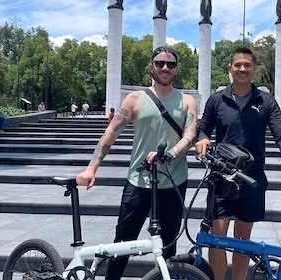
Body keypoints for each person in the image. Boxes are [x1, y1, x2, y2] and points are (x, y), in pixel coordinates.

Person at [76, 46, 198, 280]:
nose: (165, 68)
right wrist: (92, 167)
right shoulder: (135, 99)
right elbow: (109, 135)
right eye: (160, 63)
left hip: (173, 182)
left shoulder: (188, 101)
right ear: (151, 66)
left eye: (170, 64)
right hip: (139, 181)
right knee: (122, 242)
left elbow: (190, 136)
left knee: (168, 247)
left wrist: (169, 154)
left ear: (177, 69)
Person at [195, 46, 281, 280]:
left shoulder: (265, 101)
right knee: (216, 240)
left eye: (247, 65)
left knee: (242, 241)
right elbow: (203, 128)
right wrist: (203, 138)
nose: (242, 69)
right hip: (221, 179)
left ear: (255, 69)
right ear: (230, 68)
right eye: (237, 65)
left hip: (251, 180)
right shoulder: (217, 100)